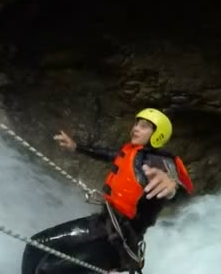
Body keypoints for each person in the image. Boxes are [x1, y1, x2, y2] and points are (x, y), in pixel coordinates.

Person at [21, 108, 194, 274]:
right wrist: (76, 147)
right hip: (102, 224)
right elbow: (106, 154)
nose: (135, 128)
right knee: (35, 245)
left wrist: (173, 188)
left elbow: (180, 193)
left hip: (120, 243)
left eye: (144, 126)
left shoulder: (161, 162)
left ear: (158, 134)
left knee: (48, 269)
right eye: (136, 124)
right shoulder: (131, 152)